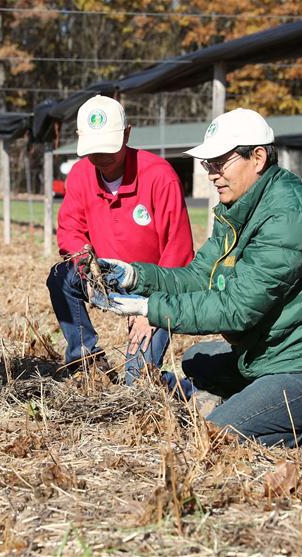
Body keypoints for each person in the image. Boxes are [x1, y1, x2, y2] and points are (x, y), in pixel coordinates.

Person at [94, 108, 302, 467]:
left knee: (220, 433)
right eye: (207, 165)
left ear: (257, 157)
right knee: (195, 360)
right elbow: (199, 275)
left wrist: (150, 309)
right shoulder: (241, 210)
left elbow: (237, 308)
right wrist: (137, 277)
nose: (212, 174)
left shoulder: (286, 216)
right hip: (279, 354)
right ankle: (258, 405)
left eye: (220, 163)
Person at [46, 95, 194, 384]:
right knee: (60, 277)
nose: (101, 157)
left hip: (154, 285)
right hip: (104, 273)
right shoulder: (79, 175)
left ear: (127, 133)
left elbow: (179, 252)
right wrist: (87, 269)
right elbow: (70, 229)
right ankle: (85, 358)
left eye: (109, 148)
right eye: (93, 149)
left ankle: (192, 391)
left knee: (136, 381)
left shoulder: (159, 177)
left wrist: (151, 310)